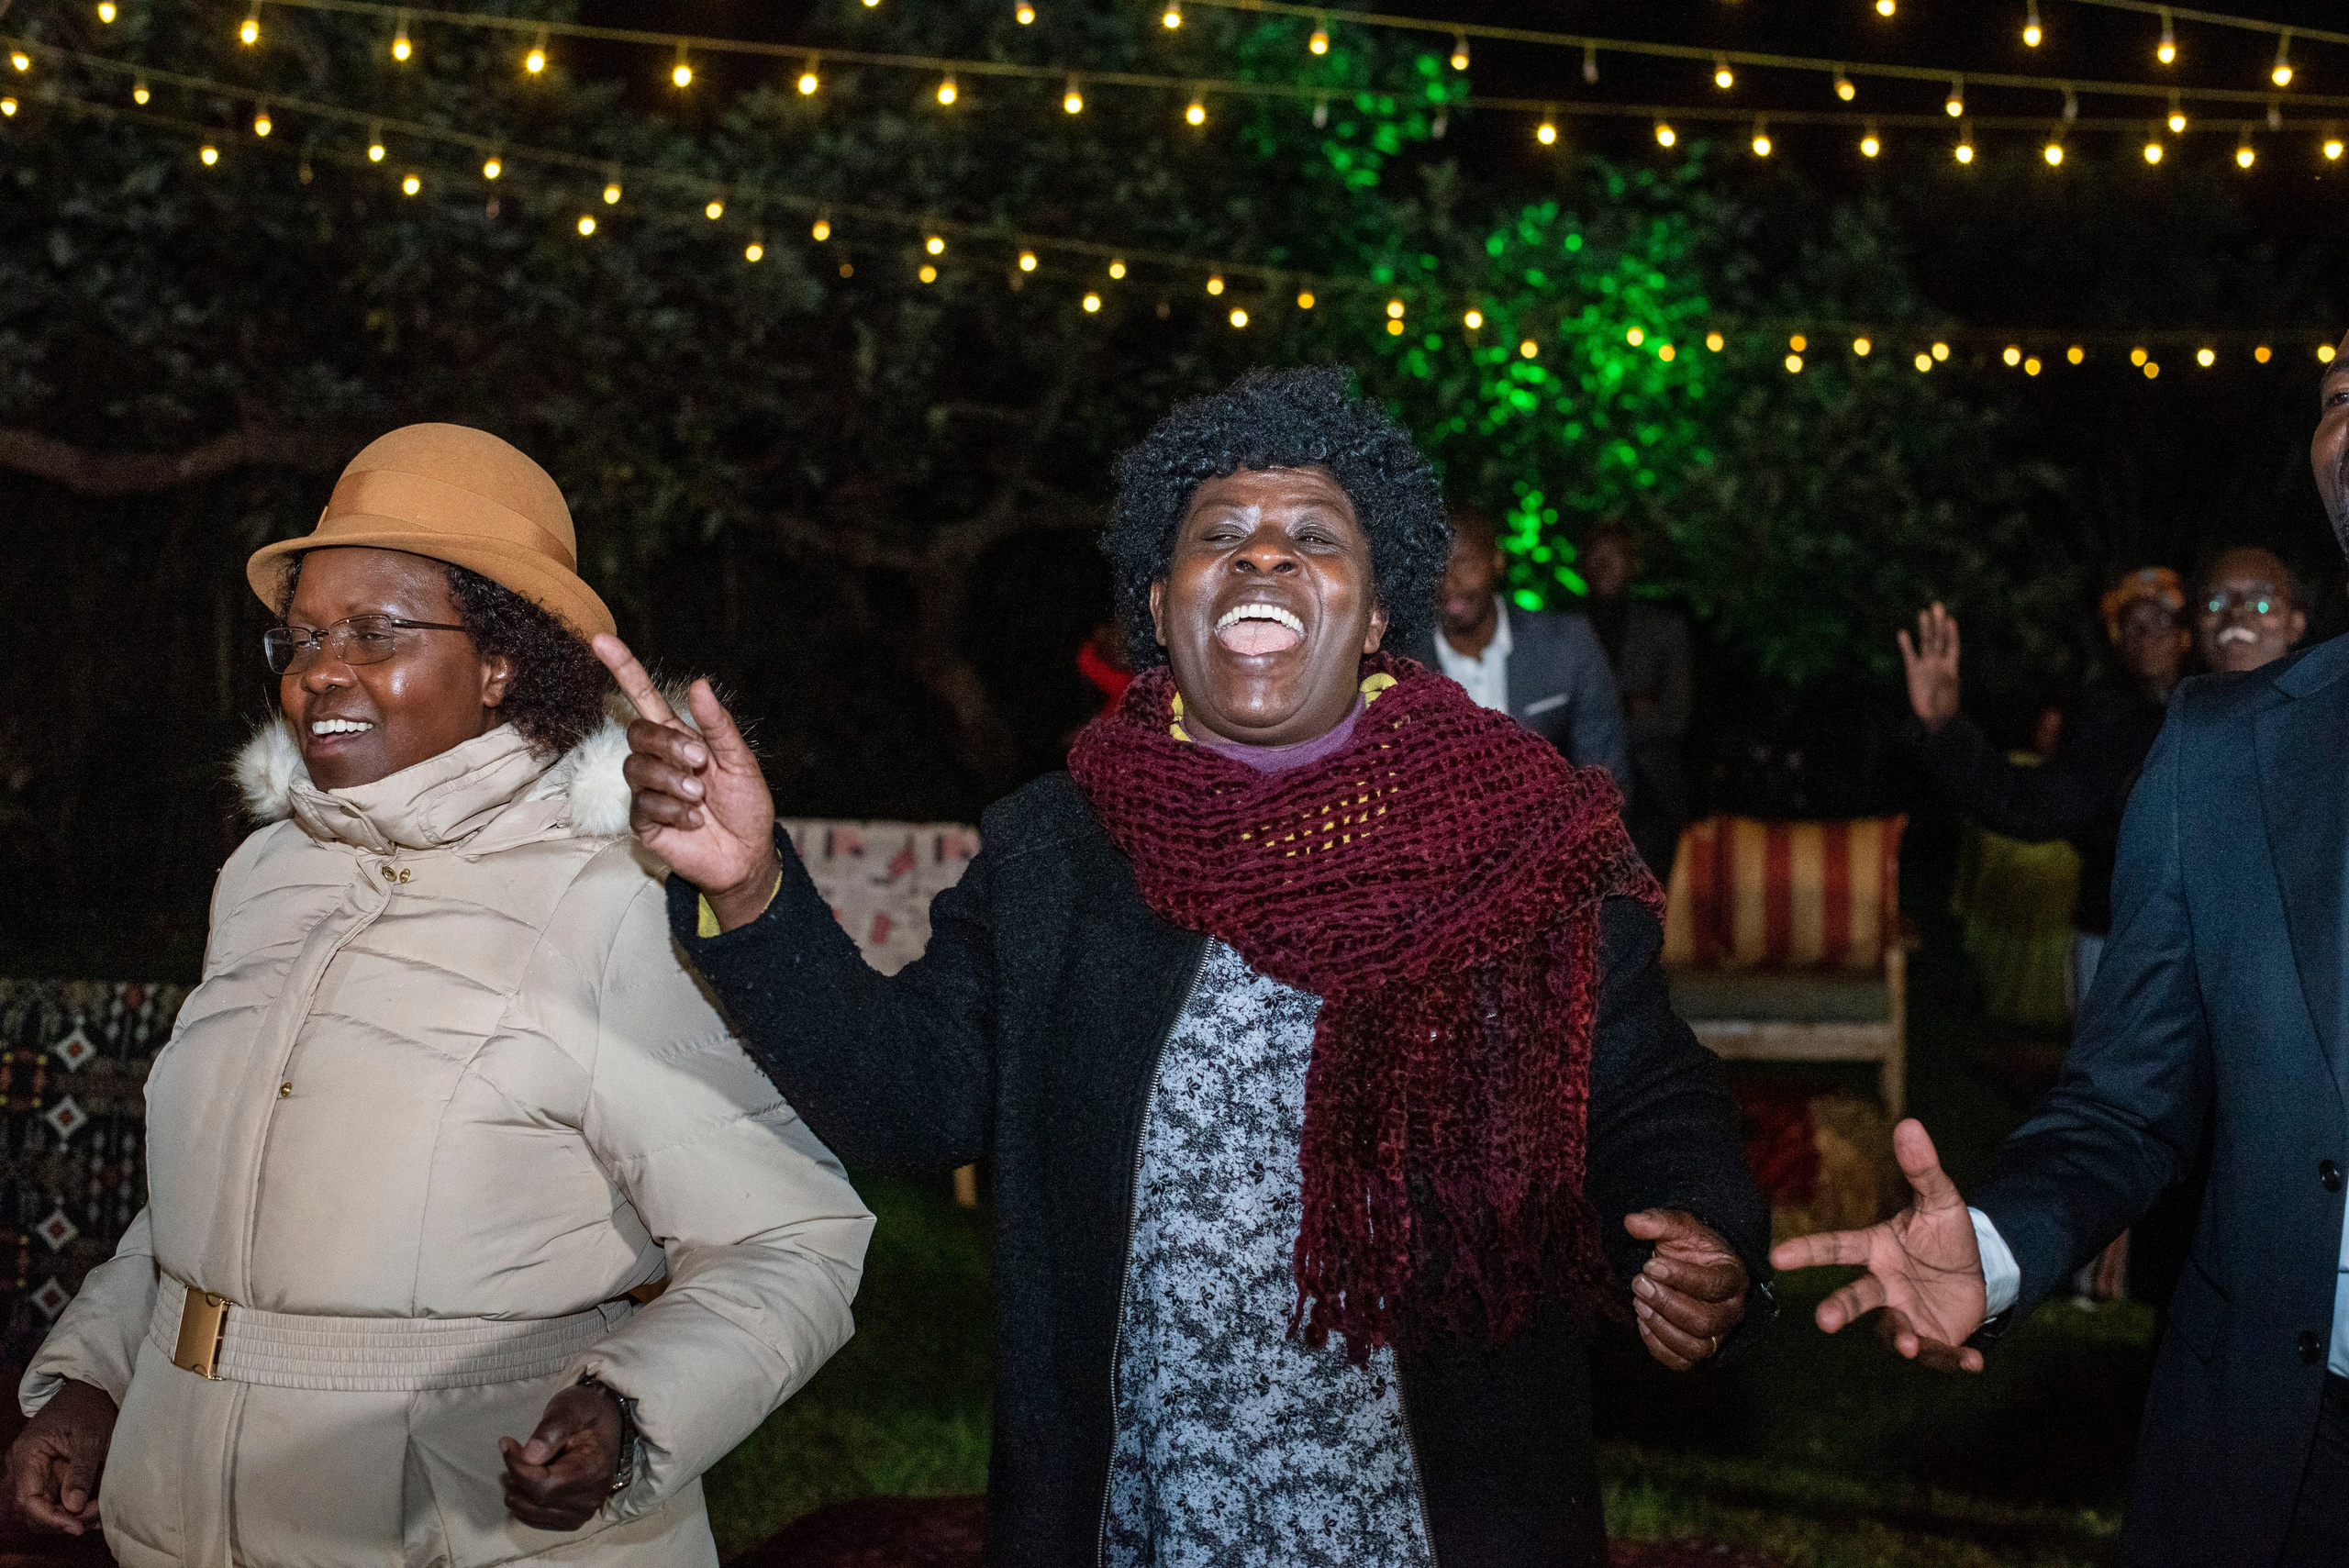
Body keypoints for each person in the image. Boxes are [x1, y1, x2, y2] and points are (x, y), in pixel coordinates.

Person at [599, 368, 1771, 1568]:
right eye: (1222, 536)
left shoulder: (1511, 838)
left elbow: (1643, 1081)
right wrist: (750, 890)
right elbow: (918, 1099)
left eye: (1315, 538)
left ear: (1375, 615)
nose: (1263, 559)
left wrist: (1702, 1226)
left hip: (1435, 1517)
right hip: (1149, 1518)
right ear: (1161, 607)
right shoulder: (1053, 848)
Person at [3, 425, 871, 1567]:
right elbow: (219, 1187)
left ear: (502, 661)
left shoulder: (608, 893)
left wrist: (630, 1407)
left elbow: (792, 1234)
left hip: (463, 1529)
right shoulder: (263, 878)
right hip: (180, 1518)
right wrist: (91, 1382)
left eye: (377, 631)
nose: (321, 668)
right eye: (304, 635)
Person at [1771, 335, 2349, 1566]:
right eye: (2341, 395)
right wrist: (1997, 1241)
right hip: (2286, 1452)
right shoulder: (2214, 750)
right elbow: (2129, 1103)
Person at [1898, 567, 2188, 1007]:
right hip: (2116, 939)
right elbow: (2024, 803)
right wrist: (1942, 727)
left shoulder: (2252, 709)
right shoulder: (2104, 725)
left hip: (2235, 945)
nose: (2143, 636)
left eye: (2159, 623)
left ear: (2186, 633)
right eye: (2130, 626)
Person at [1398, 506, 1631, 791]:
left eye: (1466, 563)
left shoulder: (1565, 644)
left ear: (1497, 561)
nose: (1449, 582)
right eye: (1434, 567)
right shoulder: (1400, 665)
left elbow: (1606, 775)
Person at [1582, 522, 1691, 880]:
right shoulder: (1565, 633)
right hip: (1583, 798)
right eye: (1596, 555)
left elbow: (1675, 718)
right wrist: (1628, 705)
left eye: (1614, 555)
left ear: (1633, 563)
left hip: (1653, 795)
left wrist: (1597, 718)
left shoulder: (1666, 630)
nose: (1604, 565)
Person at [2195, 545, 2308, 674]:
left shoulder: (2328, 693)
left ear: (2295, 625)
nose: (2236, 611)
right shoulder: (2179, 694)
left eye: (2262, 602)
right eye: (2215, 603)